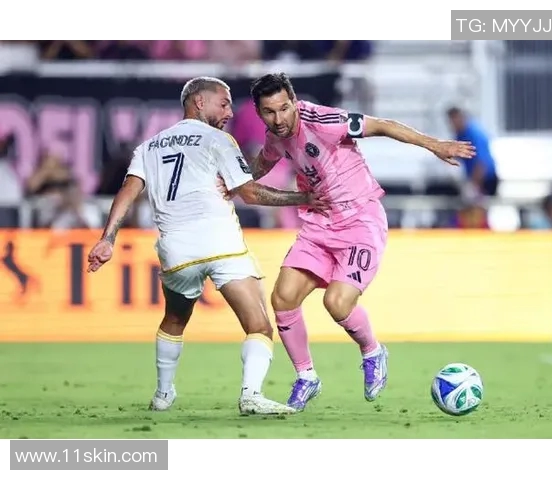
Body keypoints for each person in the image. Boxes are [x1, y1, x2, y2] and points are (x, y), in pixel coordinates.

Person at [221, 73, 475, 412]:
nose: (278, 119)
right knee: (283, 297)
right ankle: (306, 376)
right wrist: (233, 181)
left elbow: (382, 125)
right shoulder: (275, 137)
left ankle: (373, 352)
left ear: (294, 103)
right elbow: (263, 163)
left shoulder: (323, 121)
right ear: (259, 113)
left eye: (284, 109)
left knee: (337, 303)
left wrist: (435, 145)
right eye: (269, 112)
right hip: (320, 223)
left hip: (360, 220)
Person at [86, 76, 329, 416]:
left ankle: (163, 394)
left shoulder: (149, 147)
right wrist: (303, 197)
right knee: (258, 325)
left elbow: (128, 191)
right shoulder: (218, 140)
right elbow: (249, 193)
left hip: (176, 250)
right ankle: (251, 395)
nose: (230, 112)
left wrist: (107, 239)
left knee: (174, 319)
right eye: (224, 103)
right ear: (200, 102)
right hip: (220, 244)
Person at [446, 107, 498, 196]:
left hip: (485, 179)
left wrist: (474, 186)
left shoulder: (473, 133)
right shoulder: (460, 134)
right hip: (474, 176)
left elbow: (481, 163)